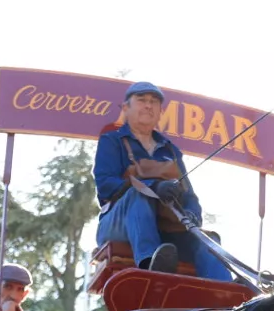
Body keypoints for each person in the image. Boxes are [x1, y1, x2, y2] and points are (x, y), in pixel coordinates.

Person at [92, 81, 230, 280]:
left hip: (166, 229)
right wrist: (153, 187)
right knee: (138, 195)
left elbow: (189, 196)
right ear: (125, 108)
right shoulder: (112, 141)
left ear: (160, 112)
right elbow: (105, 186)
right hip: (118, 225)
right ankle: (151, 264)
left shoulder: (171, 151)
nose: (148, 105)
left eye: (153, 102)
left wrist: (192, 215)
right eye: (141, 100)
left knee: (208, 241)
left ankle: (229, 294)